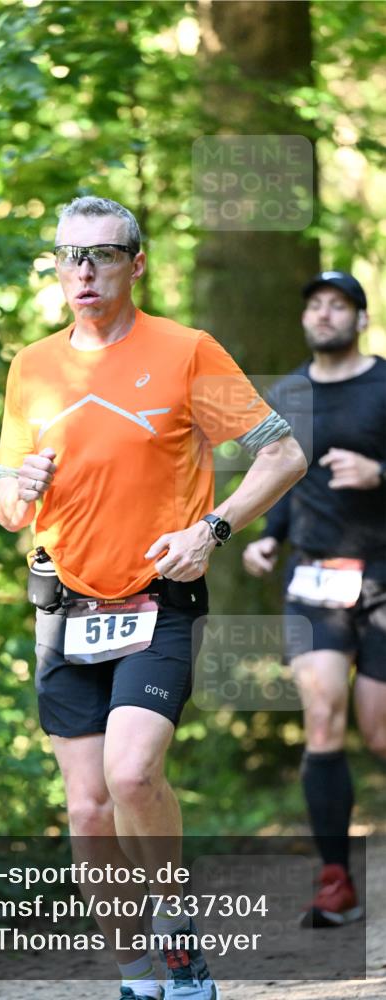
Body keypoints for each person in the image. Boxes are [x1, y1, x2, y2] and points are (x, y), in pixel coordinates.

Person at [0, 196, 307, 1000]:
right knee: (89, 812)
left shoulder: (185, 351)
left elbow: (282, 456)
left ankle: (175, 939)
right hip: (64, 607)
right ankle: (136, 978)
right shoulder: (32, 366)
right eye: (68, 255)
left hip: (157, 597)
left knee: (131, 775)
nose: (83, 271)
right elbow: (7, 508)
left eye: (101, 254)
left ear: (135, 264)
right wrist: (20, 486)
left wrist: (213, 527)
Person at [242, 270, 386, 928]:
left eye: (338, 305)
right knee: (322, 717)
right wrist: (267, 537)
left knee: (378, 731)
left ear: (360, 319)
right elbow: (283, 478)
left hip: (383, 574)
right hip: (314, 579)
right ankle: (336, 882)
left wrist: (379, 472)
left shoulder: (383, 383)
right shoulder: (287, 394)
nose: (324, 315)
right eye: (315, 306)